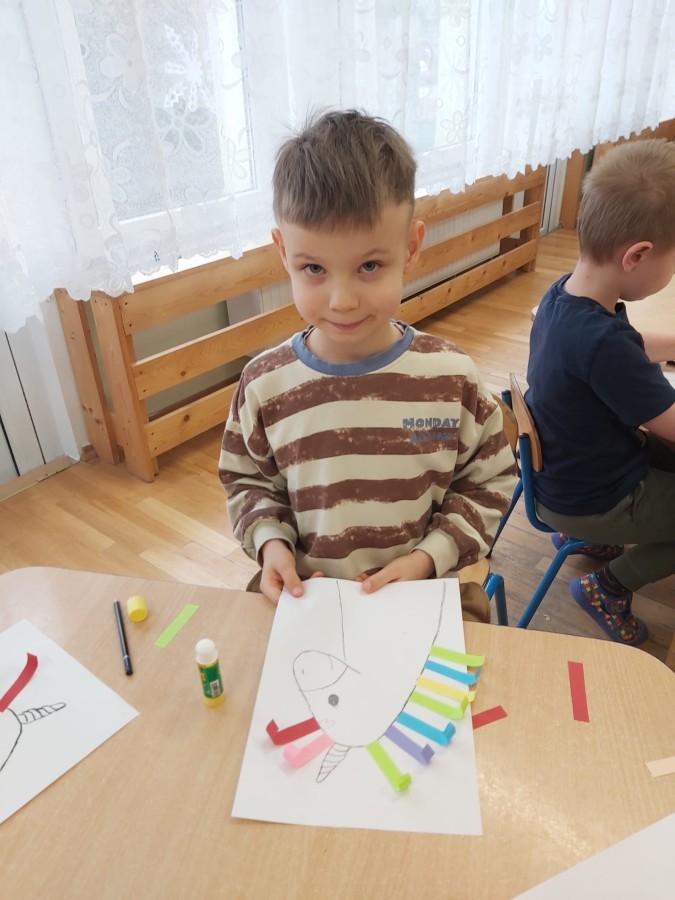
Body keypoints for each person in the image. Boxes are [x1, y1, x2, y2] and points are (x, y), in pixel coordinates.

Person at [218, 109, 516, 620]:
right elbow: (248, 482)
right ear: (283, 252)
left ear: (412, 247)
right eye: (314, 268)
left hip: (421, 599)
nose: (343, 300)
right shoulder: (263, 385)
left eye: (370, 266)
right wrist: (271, 543)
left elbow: (490, 482)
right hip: (310, 604)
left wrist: (429, 558)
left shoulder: (451, 380)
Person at [525, 138, 675, 646]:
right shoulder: (603, 343)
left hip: (564, 475)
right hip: (589, 496)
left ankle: (594, 538)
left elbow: (625, 349)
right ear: (638, 255)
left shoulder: (564, 295)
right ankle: (608, 588)